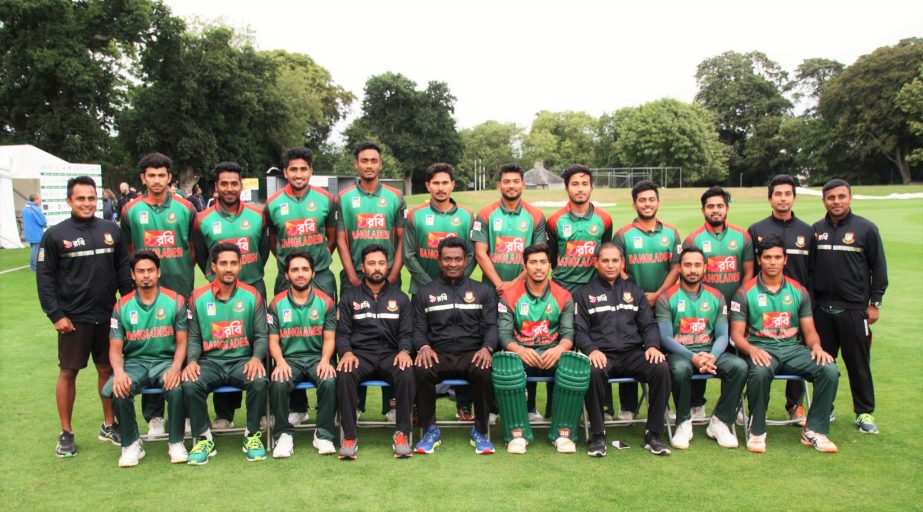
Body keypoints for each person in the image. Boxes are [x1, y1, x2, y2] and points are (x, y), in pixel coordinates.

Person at [37, 175, 132, 457]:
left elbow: (123, 272)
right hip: (73, 320)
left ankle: (109, 424)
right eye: (81, 198)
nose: (87, 203)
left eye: (92, 198)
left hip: (107, 316)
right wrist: (56, 314)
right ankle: (66, 432)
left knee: (108, 369)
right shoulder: (55, 235)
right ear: (69, 201)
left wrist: (126, 307)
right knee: (68, 373)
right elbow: (45, 279)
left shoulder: (111, 231)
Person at [730, 235, 839, 453]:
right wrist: (752, 350)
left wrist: (817, 347)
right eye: (767, 257)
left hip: (793, 350)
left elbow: (809, 331)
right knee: (759, 373)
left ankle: (814, 430)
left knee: (829, 369)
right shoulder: (744, 292)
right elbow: (736, 335)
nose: (772, 262)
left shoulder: (798, 291)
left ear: (785, 260)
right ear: (759, 260)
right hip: (761, 349)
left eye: (777, 257)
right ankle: (757, 430)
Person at [121, 152, 198, 438]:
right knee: (150, 351)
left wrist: (181, 274)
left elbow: (192, 248)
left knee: (186, 351)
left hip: (180, 291)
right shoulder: (130, 210)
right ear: (143, 178)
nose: (156, 180)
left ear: (169, 178)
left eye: (161, 175)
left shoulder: (186, 208)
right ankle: (154, 417)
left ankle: (188, 413)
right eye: (150, 175)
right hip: (146, 296)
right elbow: (129, 251)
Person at [264, 147, 339, 427]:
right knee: (287, 334)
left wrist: (312, 265)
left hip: (320, 274)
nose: (298, 174)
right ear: (285, 173)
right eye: (292, 169)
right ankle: (297, 406)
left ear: (310, 171)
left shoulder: (326, 200)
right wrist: (291, 265)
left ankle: (328, 403)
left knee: (327, 331)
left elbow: (330, 237)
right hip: (288, 275)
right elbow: (272, 240)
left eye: (303, 169)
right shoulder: (272, 204)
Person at [575, 243, 671, 457]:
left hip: (632, 354)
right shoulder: (583, 294)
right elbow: (579, 330)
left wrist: (653, 346)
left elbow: (648, 325)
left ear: (622, 263)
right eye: (606, 261)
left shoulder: (634, 291)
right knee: (592, 371)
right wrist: (591, 350)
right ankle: (598, 435)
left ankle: (653, 434)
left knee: (661, 367)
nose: (610, 265)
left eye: (615, 261)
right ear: (595, 263)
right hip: (602, 354)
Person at [194, 161, 270, 429]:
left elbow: (263, 250)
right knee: (223, 340)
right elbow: (202, 254)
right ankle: (224, 414)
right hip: (220, 292)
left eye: (234, 183)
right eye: (223, 184)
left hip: (254, 288)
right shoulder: (202, 219)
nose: (229, 188)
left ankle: (262, 412)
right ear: (216, 187)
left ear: (241, 185)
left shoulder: (257, 215)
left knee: (260, 345)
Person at [493, 243, 589, 455]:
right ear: (524, 265)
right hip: (523, 354)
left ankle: (563, 433)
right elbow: (504, 334)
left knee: (574, 364)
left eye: (543, 262)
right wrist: (519, 350)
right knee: (505, 364)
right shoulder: (509, 295)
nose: (538, 267)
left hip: (551, 354)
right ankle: (517, 433)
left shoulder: (563, 295)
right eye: (533, 262)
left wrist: (558, 350)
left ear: (550, 265)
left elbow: (568, 334)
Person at [181, 242, 269, 464]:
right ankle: (204, 438)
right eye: (223, 264)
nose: (228, 268)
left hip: (242, 361)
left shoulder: (253, 295)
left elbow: (261, 335)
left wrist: (256, 358)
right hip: (210, 362)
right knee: (191, 383)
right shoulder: (198, 297)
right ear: (213, 267)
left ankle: (252, 435)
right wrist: (191, 361)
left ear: (240, 266)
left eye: (233, 263)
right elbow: (193, 337)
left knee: (259, 380)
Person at [812, 178, 888, 434]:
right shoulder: (816, 230)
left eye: (841, 197)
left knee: (858, 363)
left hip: (855, 309)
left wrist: (874, 303)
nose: (836, 202)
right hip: (822, 308)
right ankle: (826, 407)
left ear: (850, 198)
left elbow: (879, 269)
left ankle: (864, 412)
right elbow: (811, 271)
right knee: (824, 363)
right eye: (831, 198)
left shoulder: (866, 229)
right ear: (824, 200)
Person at [403, 162, 477, 421]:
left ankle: (464, 403)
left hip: (460, 293)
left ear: (453, 185)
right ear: (428, 186)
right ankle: (417, 404)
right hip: (422, 290)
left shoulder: (468, 216)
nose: (441, 187)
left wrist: (458, 283)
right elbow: (408, 254)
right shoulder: (415, 215)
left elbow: (473, 254)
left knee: (463, 342)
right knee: (420, 344)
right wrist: (429, 286)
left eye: (445, 183)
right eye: (436, 183)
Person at [412, 237, 497, 455]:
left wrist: (487, 348)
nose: (453, 264)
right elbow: (418, 329)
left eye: (458, 259)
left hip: (472, 353)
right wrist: (423, 347)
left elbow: (491, 326)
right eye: (447, 259)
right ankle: (430, 429)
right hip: (438, 353)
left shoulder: (482, 291)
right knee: (421, 368)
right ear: (439, 261)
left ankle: (480, 430)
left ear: (466, 260)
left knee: (484, 370)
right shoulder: (425, 293)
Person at [103, 250, 188, 466]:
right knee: (119, 388)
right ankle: (131, 444)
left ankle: (176, 441)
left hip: (166, 361)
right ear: (133, 275)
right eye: (140, 271)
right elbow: (114, 348)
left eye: (150, 270)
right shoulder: (122, 306)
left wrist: (176, 367)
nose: (146, 275)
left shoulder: (176, 300)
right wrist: (120, 372)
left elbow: (182, 342)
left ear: (159, 272)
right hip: (135, 363)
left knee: (176, 387)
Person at [656, 247, 745, 449]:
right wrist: (692, 356)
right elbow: (665, 337)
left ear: (705, 267)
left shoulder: (717, 296)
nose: (692, 269)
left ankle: (720, 422)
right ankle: (683, 422)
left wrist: (712, 356)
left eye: (697, 265)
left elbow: (723, 335)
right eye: (687, 265)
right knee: (679, 370)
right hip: (679, 352)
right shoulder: (666, 297)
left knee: (739, 367)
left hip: (709, 351)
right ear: (679, 268)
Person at [335, 244, 415, 460]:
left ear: (387, 266)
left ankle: (401, 434)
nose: (377, 268)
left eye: (381, 263)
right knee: (344, 374)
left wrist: (405, 351)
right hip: (361, 355)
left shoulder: (401, 298)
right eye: (371, 263)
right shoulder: (349, 297)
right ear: (363, 267)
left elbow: (407, 333)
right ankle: (350, 437)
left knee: (407, 372)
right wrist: (347, 353)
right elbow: (342, 333)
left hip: (391, 354)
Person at [747, 174, 814, 425]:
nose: (783, 198)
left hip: (796, 304)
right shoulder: (756, 230)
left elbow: (812, 271)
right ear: (770, 198)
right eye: (778, 194)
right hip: (762, 304)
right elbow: (751, 270)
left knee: (796, 352)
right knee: (758, 356)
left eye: (787, 194)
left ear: (794, 197)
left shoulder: (807, 231)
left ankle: (795, 406)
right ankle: (754, 408)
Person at [682, 186, 753, 420]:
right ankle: (696, 404)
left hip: (736, 311)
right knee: (700, 349)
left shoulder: (742, 236)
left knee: (736, 356)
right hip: (702, 310)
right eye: (710, 206)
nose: (715, 210)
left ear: (727, 208)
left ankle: (732, 405)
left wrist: (737, 308)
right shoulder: (693, 238)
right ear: (703, 209)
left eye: (719, 206)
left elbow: (748, 274)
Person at [612, 180, 681, 422]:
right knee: (629, 348)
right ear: (634, 204)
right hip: (631, 300)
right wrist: (641, 296)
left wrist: (660, 293)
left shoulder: (671, 232)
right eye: (642, 200)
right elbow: (617, 268)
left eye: (651, 199)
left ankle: (661, 404)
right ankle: (627, 407)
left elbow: (676, 267)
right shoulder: (623, 234)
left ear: (658, 202)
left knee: (660, 352)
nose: (647, 204)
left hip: (663, 302)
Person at [267, 251, 338, 458]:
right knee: (278, 381)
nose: (300, 274)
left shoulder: (326, 302)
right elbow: (273, 341)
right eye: (295, 270)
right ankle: (283, 435)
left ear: (313, 273)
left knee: (329, 379)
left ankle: (323, 434)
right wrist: (279, 362)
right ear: (286, 275)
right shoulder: (276, 304)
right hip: (290, 360)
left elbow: (329, 338)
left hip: (317, 357)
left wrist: (326, 360)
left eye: (305, 269)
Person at [337, 142, 407, 293]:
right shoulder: (344, 197)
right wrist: (352, 278)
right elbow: (340, 240)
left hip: (387, 276)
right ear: (356, 164)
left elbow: (403, 239)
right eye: (364, 161)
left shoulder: (396, 196)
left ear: (380, 164)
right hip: (355, 276)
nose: (369, 166)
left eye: (374, 161)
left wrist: (393, 275)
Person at [472, 163, 546, 293]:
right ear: (499, 185)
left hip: (525, 290)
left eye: (516, 181)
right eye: (506, 182)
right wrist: (499, 284)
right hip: (492, 289)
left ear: (523, 185)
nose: (511, 185)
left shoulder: (536, 215)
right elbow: (480, 253)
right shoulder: (485, 213)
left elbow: (539, 257)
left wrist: (514, 284)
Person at [546, 165, 613, 293]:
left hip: (594, 287)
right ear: (567, 188)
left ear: (591, 187)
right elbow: (552, 259)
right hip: (562, 287)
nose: (580, 189)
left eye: (584, 184)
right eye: (575, 184)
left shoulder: (605, 219)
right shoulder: (554, 220)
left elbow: (605, 254)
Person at [22, 193, 47, 271]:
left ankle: (38, 264)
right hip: (36, 232)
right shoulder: (35, 209)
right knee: (38, 249)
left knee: (36, 248)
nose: (40, 201)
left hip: (29, 232)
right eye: (39, 199)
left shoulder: (25, 208)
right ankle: (35, 266)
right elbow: (42, 222)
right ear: (36, 199)